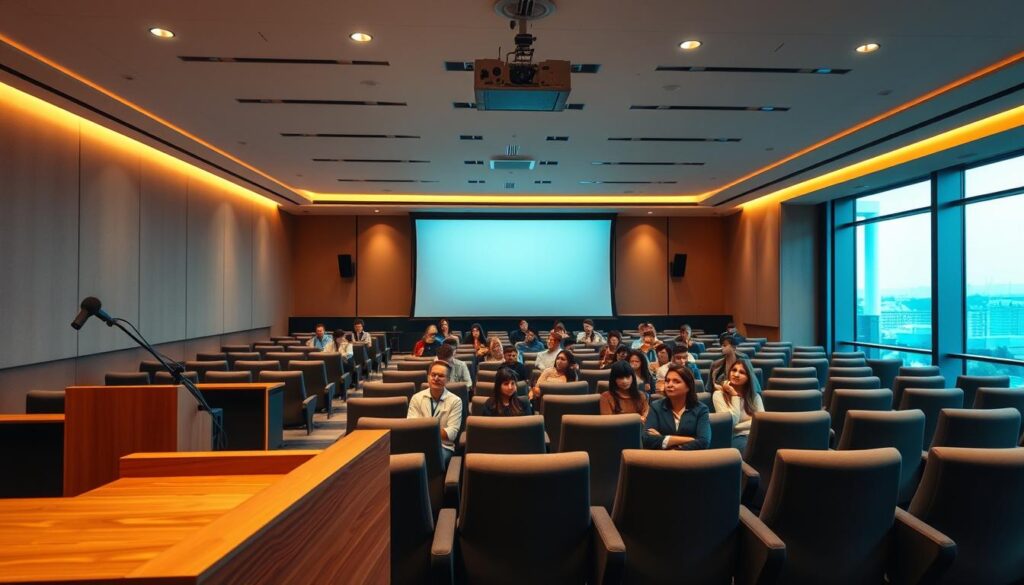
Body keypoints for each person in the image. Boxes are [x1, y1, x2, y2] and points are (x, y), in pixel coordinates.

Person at [408, 361, 463, 468]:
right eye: (433, 375)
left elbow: (451, 434)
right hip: (418, 446)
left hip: (443, 447)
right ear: (428, 377)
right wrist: (437, 430)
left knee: (428, 460)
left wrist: (424, 428)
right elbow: (411, 427)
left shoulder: (456, 401)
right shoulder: (416, 398)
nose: (436, 378)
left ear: (448, 379)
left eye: (441, 376)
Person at [643, 363, 710, 450]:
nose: (669, 385)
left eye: (676, 381)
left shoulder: (701, 409)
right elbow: (647, 439)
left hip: (691, 460)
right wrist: (689, 439)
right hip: (662, 460)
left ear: (688, 387)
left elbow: (704, 442)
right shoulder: (656, 407)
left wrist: (664, 440)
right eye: (667, 381)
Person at [712, 360, 763, 452]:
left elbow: (761, 422)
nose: (736, 374)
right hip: (736, 437)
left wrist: (739, 426)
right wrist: (734, 396)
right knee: (754, 451)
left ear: (748, 377)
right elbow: (731, 423)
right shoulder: (719, 395)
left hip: (756, 435)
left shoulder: (754, 396)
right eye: (734, 370)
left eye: (742, 372)